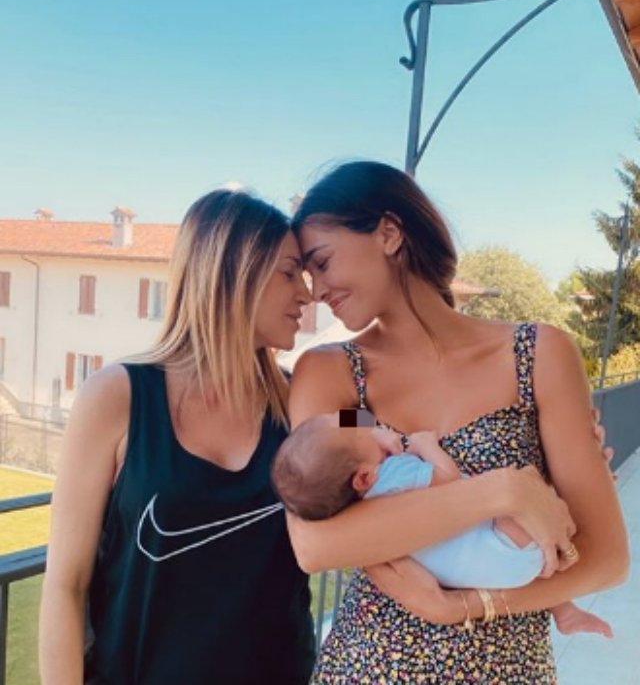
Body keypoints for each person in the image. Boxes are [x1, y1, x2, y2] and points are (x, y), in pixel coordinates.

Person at [286, 160, 629, 684]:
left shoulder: (537, 356)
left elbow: (606, 557)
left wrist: (463, 607)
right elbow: (318, 543)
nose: (316, 290)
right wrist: (503, 491)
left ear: (389, 233)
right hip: (370, 668)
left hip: (509, 671)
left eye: (323, 262)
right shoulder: (336, 377)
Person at [39, 189, 316, 685]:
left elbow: (378, 430)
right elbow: (65, 585)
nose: (306, 294)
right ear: (233, 274)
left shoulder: (304, 403)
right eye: (290, 273)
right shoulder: (115, 397)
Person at [272, 413, 613, 638]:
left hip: (480, 576)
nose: (355, 419)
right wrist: (425, 445)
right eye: (354, 426)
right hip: (505, 546)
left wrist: (373, 431)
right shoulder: (393, 473)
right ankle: (590, 482)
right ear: (363, 477)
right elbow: (448, 478)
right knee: (529, 481)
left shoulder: (360, 506)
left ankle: (563, 607)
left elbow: (347, 420)